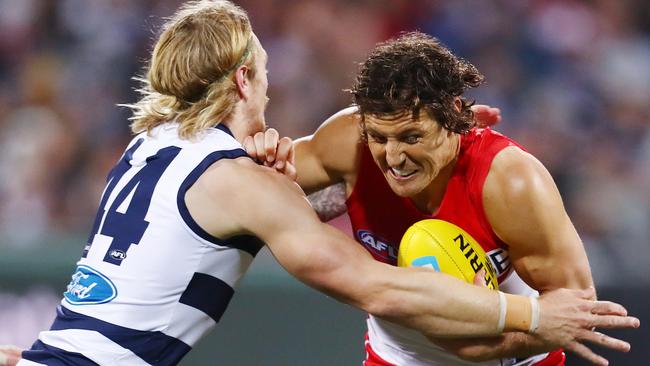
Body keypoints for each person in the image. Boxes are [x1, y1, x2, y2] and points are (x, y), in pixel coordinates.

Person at [1, 3, 639, 366]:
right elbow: (376, 286)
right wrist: (528, 312)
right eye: (268, 71)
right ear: (246, 80)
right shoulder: (244, 179)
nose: (389, 154)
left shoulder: (147, 148)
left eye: (412, 135)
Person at [244, 32, 641, 366]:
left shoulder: (511, 182)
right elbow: (251, 191)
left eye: (411, 137)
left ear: (453, 115)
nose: (394, 158)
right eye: (379, 138)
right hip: (399, 354)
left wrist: (486, 341)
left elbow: (573, 311)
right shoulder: (347, 141)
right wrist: (262, 156)